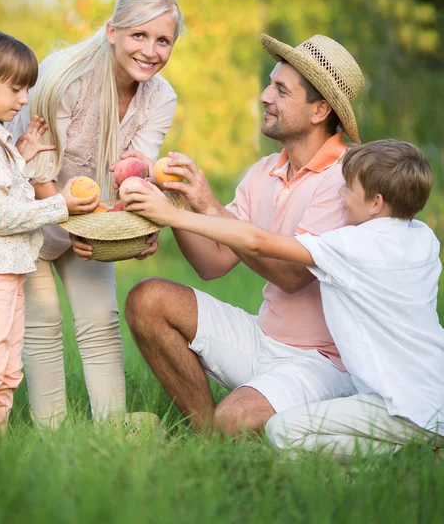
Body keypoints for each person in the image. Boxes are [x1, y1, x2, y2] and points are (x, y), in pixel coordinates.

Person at [123, 139, 444, 458]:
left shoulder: (353, 245)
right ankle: (407, 454)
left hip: (404, 404)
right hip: (430, 391)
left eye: (348, 188)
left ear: (376, 203)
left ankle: (404, 456)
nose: (340, 194)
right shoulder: (422, 238)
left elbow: (257, 242)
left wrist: (173, 216)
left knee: (285, 432)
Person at [124, 33, 365, 435]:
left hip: (323, 362)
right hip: (262, 337)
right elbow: (213, 263)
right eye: (270, 83)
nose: (264, 96)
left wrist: (187, 215)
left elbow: (290, 275)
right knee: (147, 298)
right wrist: (182, 201)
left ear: (320, 109)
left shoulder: (347, 178)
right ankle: (205, 436)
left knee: (235, 421)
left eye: (281, 90)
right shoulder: (265, 170)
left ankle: (228, 427)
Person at [9, 0, 184, 428]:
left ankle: (111, 427)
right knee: (43, 323)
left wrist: (143, 226)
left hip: (89, 219)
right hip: (30, 211)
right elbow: (41, 174)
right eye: (138, 35)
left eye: (163, 39)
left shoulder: (161, 97)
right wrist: (76, 229)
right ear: (112, 31)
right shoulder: (65, 78)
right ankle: (53, 432)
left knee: (100, 322)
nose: (150, 50)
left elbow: (136, 173)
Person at [0, 31, 99, 443]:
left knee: (8, 374)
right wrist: (61, 205)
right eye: (16, 88)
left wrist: (20, 157)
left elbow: (3, 191)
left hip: (6, 274)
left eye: (27, 89)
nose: (24, 99)